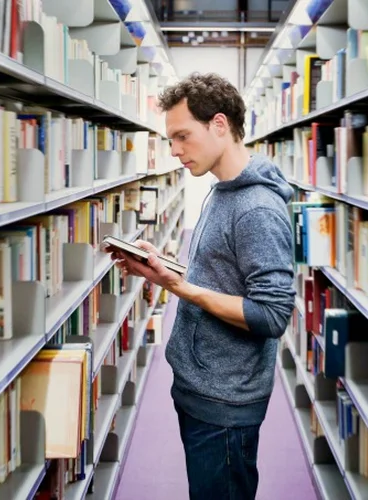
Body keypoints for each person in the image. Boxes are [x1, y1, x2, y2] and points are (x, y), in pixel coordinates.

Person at [106, 72, 295, 499]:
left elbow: (271, 314)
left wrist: (179, 286)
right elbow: (220, 274)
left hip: (226, 400)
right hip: (201, 384)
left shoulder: (257, 209)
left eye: (182, 136)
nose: (174, 151)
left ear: (220, 125)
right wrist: (162, 269)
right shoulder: (222, 190)